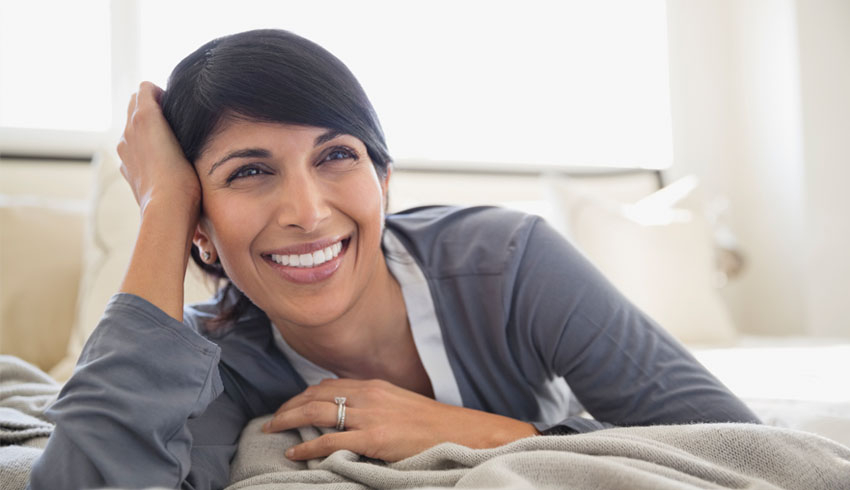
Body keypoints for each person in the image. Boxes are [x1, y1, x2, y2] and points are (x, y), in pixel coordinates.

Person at [28, 29, 759, 490]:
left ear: (383, 182)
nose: (307, 210)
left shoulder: (508, 263)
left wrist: (479, 431)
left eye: (336, 157)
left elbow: (746, 452)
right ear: (202, 227)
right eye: (248, 172)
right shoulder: (218, 360)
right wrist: (160, 208)